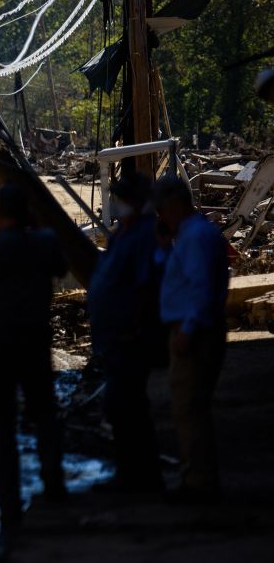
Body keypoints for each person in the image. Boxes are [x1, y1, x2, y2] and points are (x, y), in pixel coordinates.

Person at [0, 183, 68, 534]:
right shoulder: (46, 244)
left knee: (1, 423)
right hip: (36, 342)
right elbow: (60, 268)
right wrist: (37, 225)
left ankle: (8, 499)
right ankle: (54, 485)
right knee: (44, 415)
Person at [153, 176, 230, 503]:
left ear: (174, 205)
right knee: (190, 408)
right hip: (193, 328)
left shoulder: (196, 237)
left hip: (195, 333)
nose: (160, 216)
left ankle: (199, 483)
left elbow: (202, 289)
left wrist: (187, 329)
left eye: (161, 209)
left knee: (189, 408)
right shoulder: (190, 235)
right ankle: (197, 475)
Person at [87, 174, 165, 493]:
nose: (117, 204)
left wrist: (133, 328)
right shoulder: (125, 232)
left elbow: (147, 288)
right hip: (114, 335)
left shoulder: (146, 235)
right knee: (122, 406)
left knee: (126, 405)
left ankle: (139, 476)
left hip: (130, 336)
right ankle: (131, 472)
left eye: (122, 199)